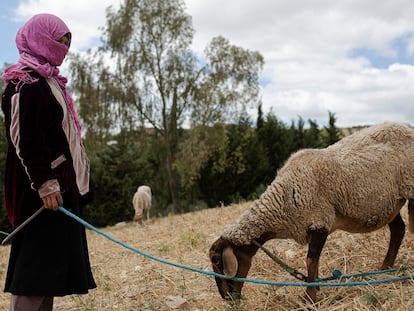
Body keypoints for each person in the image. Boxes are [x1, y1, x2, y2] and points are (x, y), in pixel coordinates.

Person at [1, 13, 96, 310]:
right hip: (39, 197)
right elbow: (24, 140)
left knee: (50, 274)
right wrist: (45, 184)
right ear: (39, 39)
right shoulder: (24, 84)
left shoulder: (50, 80)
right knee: (35, 273)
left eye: (67, 42)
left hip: (62, 193)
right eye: (59, 41)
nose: (64, 48)